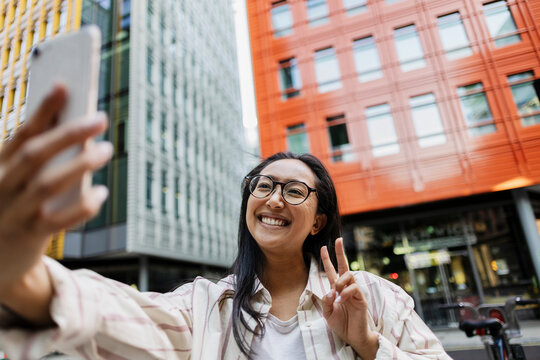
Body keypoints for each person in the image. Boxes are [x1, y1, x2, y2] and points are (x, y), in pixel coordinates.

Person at [0, 87, 451, 359]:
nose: (274, 199)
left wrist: (370, 345)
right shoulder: (206, 306)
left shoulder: (372, 297)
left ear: (319, 222)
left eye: (294, 191)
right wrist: (21, 275)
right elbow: (116, 317)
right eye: (264, 185)